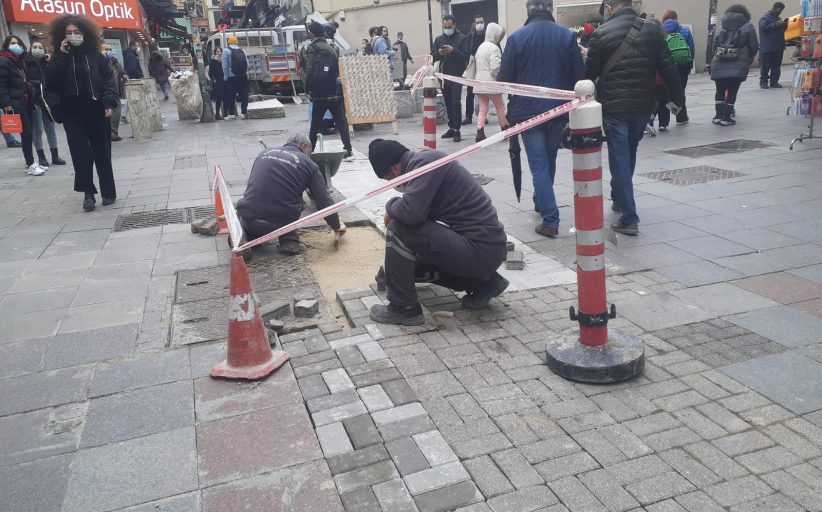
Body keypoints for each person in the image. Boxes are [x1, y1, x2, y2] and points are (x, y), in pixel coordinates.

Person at [367, 139, 509, 326]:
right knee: (413, 269)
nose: (392, 183)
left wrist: (390, 205)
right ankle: (484, 283)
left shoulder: (423, 166)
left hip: (480, 249)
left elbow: (412, 214)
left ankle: (404, 308)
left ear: (393, 170)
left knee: (398, 228)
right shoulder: (425, 160)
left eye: (388, 180)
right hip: (487, 248)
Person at [585, 0, 684, 236]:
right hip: (643, 106)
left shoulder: (601, 34)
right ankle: (620, 195)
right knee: (629, 151)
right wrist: (677, 101)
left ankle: (629, 217)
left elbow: (588, 76)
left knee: (620, 157)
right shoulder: (652, 29)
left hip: (615, 107)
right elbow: (668, 67)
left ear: (609, 7)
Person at [499, 0, 584, 238]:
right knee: (550, 158)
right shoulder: (567, 36)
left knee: (538, 164)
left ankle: (550, 219)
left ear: (529, 10)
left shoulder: (516, 38)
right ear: (551, 9)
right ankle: (541, 199)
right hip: (557, 110)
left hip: (527, 112)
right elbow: (580, 75)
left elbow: (504, 77)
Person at [46, 14, 119, 211]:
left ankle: (108, 191)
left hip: (96, 108)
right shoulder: (59, 58)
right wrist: (60, 56)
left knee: (102, 151)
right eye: (68, 33)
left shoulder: (97, 57)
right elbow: (50, 83)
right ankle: (88, 192)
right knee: (80, 152)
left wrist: (108, 102)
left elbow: (108, 82)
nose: (72, 36)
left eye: (76, 32)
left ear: (85, 34)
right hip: (72, 111)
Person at [236, 133, 346, 255]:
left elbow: (254, 185)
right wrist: (336, 225)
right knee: (296, 204)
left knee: (248, 223)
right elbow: (324, 201)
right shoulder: (309, 164)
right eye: (309, 152)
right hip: (282, 223)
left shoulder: (263, 153)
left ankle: (243, 239)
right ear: (304, 146)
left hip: (251, 215)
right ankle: (289, 241)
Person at [304, 22, 353, 158]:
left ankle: (310, 150)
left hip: (319, 93)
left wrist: (307, 89)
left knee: (315, 123)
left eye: (309, 32)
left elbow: (309, 70)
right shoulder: (332, 47)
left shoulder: (312, 48)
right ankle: (348, 148)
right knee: (341, 121)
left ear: (312, 33)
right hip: (334, 91)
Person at [1, 35, 44, 176]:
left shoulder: (18, 61)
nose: (16, 46)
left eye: (18, 43)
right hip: (15, 103)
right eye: (13, 43)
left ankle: (30, 162)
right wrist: (6, 103)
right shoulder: (4, 60)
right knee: (26, 133)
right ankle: (30, 163)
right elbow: (2, 85)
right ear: (6, 45)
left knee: (28, 132)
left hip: (25, 101)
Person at [710, 5, 759, 125]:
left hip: (719, 62)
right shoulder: (748, 27)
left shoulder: (721, 26)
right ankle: (726, 117)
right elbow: (754, 47)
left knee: (720, 89)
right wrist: (748, 58)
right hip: (738, 63)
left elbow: (713, 46)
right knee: (733, 90)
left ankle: (718, 116)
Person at [24, 41, 66, 168]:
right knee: (37, 130)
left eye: (40, 47)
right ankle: (41, 156)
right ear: (30, 49)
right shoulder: (27, 63)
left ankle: (55, 155)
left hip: (48, 100)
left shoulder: (48, 62)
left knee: (51, 129)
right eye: (35, 47)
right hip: (34, 100)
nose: (37, 49)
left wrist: (50, 61)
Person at [432, 15, 469, 142]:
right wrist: (439, 53)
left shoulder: (462, 38)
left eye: (449, 27)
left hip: (457, 76)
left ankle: (457, 129)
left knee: (455, 102)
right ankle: (451, 127)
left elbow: (465, 57)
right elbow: (433, 57)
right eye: (445, 27)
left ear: (454, 25)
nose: (447, 29)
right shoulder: (439, 39)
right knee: (447, 103)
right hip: (443, 76)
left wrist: (453, 50)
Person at [474, 22, 507, 142]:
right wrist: (501, 79)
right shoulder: (494, 48)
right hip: (491, 85)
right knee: (500, 107)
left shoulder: (481, 46)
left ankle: (480, 132)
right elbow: (495, 68)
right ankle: (505, 129)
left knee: (483, 109)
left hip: (479, 84)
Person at [661, 10, 694, 125]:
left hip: (668, 66)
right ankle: (681, 117)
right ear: (676, 18)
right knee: (681, 91)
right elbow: (691, 49)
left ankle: (664, 120)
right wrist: (689, 66)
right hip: (683, 66)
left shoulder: (661, 31)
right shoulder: (685, 30)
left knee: (667, 92)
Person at [463, 15, 487, 127]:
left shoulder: (488, 36)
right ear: (474, 24)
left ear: (484, 22)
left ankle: (483, 116)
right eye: (477, 22)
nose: (479, 24)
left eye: (481, 22)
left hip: (485, 67)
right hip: (473, 66)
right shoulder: (470, 36)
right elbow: (466, 51)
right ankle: (468, 116)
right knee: (470, 92)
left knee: (483, 93)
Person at [758, 2, 788, 89]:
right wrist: (777, 24)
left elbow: (780, 30)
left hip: (778, 46)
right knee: (766, 66)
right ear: (774, 8)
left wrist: (784, 25)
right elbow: (764, 28)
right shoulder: (765, 18)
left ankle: (774, 82)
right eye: (779, 10)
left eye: (781, 10)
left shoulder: (778, 18)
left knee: (776, 66)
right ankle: (763, 82)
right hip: (768, 47)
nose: (780, 12)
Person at [222, 35, 249, 119]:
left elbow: (225, 66)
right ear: (237, 42)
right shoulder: (242, 50)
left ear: (228, 42)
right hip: (243, 76)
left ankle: (232, 114)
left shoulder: (226, 51)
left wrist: (225, 77)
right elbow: (247, 64)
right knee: (244, 95)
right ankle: (243, 113)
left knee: (231, 95)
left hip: (231, 77)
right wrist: (246, 74)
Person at [102, 43, 125, 141]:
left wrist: (124, 76)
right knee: (107, 113)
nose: (109, 51)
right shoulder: (100, 62)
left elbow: (122, 72)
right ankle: (108, 133)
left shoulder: (115, 62)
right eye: (106, 49)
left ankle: (113, 132)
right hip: (105, 92)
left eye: (110, 49)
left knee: (117, 112)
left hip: (115, 90)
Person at [208, 47, 225, 119]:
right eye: (217, 52)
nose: (219, 53)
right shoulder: (212, 61)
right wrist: (213, 79)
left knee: (225, 97)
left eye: (220, 51)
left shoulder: (224, 60)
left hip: (224, 81)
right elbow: (210, 73)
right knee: (218, 98)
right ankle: (217, 114)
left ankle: (226, 113)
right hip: (217, 82)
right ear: (215, 53)